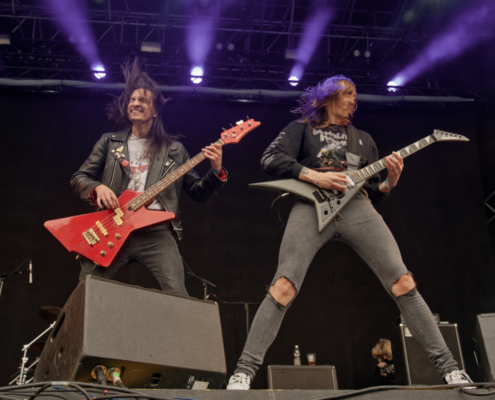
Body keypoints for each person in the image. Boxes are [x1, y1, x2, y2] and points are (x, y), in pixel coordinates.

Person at [226, 75, 472, 389]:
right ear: (328, 96)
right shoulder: (301, 129)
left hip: (358, 208)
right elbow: (271, 159)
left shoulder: (362, 139)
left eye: (355, 96)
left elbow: (375, 192)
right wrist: (316, 176)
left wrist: (390, 182)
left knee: (403, 281)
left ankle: (451, 370)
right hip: (309, 207)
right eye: (347, 93)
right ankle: (243, 373)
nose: (353, 100)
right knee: (283, 285)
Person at [71, 59, 226, 296]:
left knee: (177, 294)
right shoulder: (109, 142)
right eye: (132, 99)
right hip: (112, 226)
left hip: (156, 231)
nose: (134, 103)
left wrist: (216, 171)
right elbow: (80, 177)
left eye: (142, 100)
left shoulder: (174, 150)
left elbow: (198, 192)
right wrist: (97, 188)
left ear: (154, 111)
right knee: (84, 293)